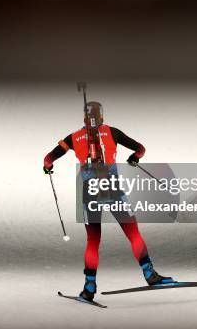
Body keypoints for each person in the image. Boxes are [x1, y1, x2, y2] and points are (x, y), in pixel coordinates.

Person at [43, 101, 174, 302]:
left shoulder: (73, 137)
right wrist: (134, 157)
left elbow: (49, 158)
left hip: (89, 192)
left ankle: (89, 288)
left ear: (84, 117)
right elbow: (140, 148)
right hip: (112, 188)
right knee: (132, 232)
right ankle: (150, 274)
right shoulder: (112, 132)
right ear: (101, 116)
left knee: (93, 241)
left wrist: (48, 166)